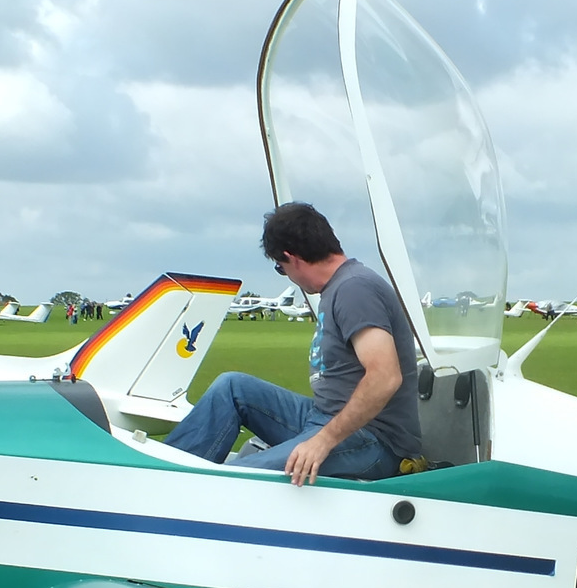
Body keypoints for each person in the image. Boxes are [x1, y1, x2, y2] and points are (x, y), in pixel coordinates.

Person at [165, 202, 421, 484]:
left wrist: (322, 441)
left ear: (292, 258)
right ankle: (165, 475)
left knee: (237, 479)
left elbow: (385, 377)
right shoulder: (339, 286)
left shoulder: (354, 289)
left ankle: (179, 489)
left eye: (280, 267)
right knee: (232, 387)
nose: (286, 274)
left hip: (374, 440)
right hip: (322, 418)